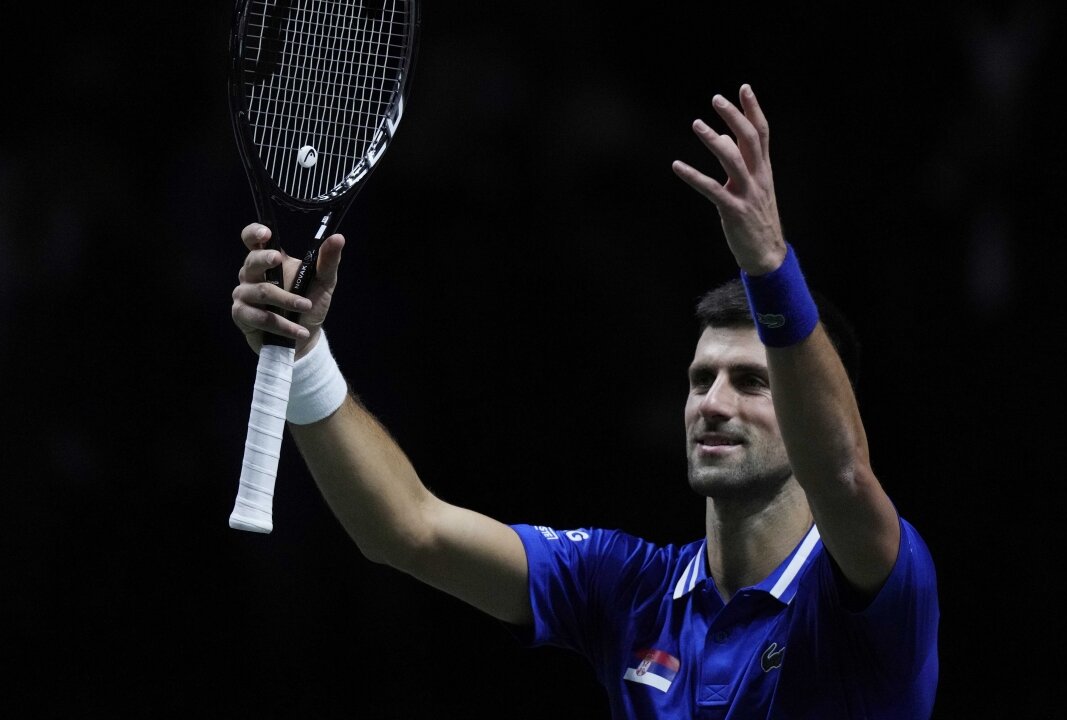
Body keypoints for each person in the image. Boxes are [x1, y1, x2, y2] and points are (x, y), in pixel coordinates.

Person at [231, 84, 939, 719]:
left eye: (753, 382)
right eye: (701, 380)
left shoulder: (872, 595)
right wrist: (305, 356)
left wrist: (769, 267)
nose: (713, 403)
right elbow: (408, 530)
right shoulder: (628, 588)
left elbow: (843, 474)